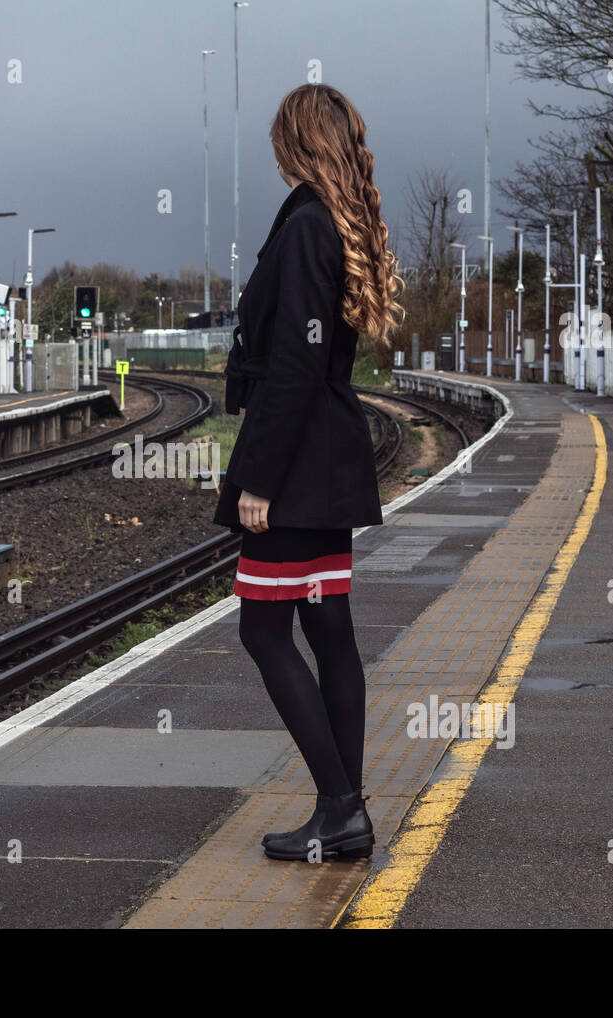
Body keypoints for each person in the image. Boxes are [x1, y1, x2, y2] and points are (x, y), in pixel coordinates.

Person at [213, 83, 404, 862]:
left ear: (296, 141)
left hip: (294, 470)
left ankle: (340, 805)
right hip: (327, 462)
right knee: (328, 633)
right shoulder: (338, 224)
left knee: (262, 628)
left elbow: (293, 364)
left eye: (277, 137)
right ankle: (344, 814)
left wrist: (255, 478)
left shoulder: (302, 228)